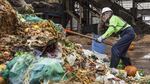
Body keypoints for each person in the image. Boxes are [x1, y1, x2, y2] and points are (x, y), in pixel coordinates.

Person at [97, 7, 135, 72]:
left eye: (104, 15)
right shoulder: (113, 19)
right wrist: (119, 38)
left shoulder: (113, 18)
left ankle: (113, 67)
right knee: (122, 53)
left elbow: (111, 29)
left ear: (107, 13)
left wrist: (102, 37)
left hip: (128, 33)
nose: (103, 17)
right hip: (128, 33)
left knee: (115, 48)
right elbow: (118, 29)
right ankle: (129, 67)